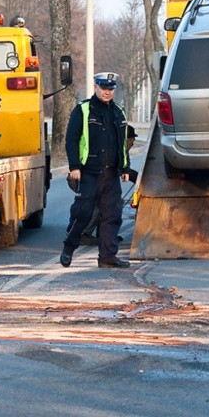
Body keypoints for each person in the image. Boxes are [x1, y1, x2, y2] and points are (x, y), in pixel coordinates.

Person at [60, 72, 131, 269]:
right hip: (89, 172)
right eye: (104, 88)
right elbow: (71, 140)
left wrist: (125, 167)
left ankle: (107, 257)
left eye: (110, 89)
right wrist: (74, 166)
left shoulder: (118, 112)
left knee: (112, 215)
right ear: (96, 87)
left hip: (111, 174)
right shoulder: (83, 110)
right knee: (82, 213)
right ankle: (68, 247)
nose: (107, 92)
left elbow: (122, 144)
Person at [79, 125, 139, 245]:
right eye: (132, 140)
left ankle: (104, 235)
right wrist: (138, 178)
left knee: (108, 203)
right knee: (102, 204)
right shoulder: (115, 148)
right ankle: (83, 234)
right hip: (90, 178)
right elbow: (118, 168)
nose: (133, 144)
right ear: (127, 139)